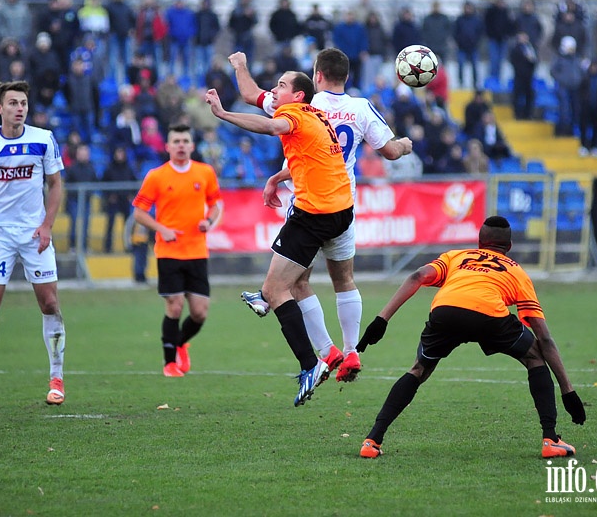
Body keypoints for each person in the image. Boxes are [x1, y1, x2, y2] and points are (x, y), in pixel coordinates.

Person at [229, 48, 413, 385]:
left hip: (308, 205)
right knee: (344, 279)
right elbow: (389, 151)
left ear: (316, 76)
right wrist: (405, 143)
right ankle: (351, 349)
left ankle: (326, 351)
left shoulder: (301, 105)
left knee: (295, 282)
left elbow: (250, 95)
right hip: (344, 205)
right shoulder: (361, 107)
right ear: (346, 76)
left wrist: (240, 65)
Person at [355, 216, 586, 459]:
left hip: (446, 312)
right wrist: (567, 391)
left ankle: (372, 441)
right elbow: (545, 338)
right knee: (535, 357)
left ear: (479, 242)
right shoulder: (516, 272)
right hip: (490, 317)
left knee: (419, 370)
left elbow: (418, 276)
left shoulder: (456, 256)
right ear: (509, 247)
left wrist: (381, 320)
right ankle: (550, 439)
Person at [205, 71, 355, 407]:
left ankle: (311, 363)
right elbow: (314, 157)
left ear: (299, 95)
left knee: (278, 290)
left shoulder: (293, 115)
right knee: (295, 280)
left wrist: (223, 115)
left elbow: (271, 127)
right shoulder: (316, 116)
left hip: (316, 213)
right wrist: (277, 177)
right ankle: (267, 301)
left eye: (281, 86)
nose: (275, 90)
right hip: (339, 209)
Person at [0, 80, 67, 410]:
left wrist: (47, 225)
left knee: (49, 303)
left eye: (23, 103)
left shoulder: (43, 139)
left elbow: (56, 184)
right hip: (0, 234)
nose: (20, 108)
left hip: (35, 234)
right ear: (0, 108)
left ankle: (57, 378)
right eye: (13, 103)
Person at [130, 123, 223, 377]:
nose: (181, 145)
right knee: (174, 306)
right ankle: (169, 363)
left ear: (192, 146)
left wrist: (209, 221)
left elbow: (215, 204)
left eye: (185, 141)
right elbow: (139, 213)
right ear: (167, 146)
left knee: (200, 312)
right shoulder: (156, 176)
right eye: (176, 141)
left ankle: (181, 341)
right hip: (169, 251)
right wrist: (162, 228)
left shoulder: (205, 173)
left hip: (197, 251)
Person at [63, 142, 98, 252]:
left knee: (86, 224)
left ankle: (84, 246)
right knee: (74, 223)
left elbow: (95, 182)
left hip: (86, 200)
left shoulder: (91, 168)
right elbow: (67, 184)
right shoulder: (72, 168)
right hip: (74, 200)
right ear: (77, 154)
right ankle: (72, 246)